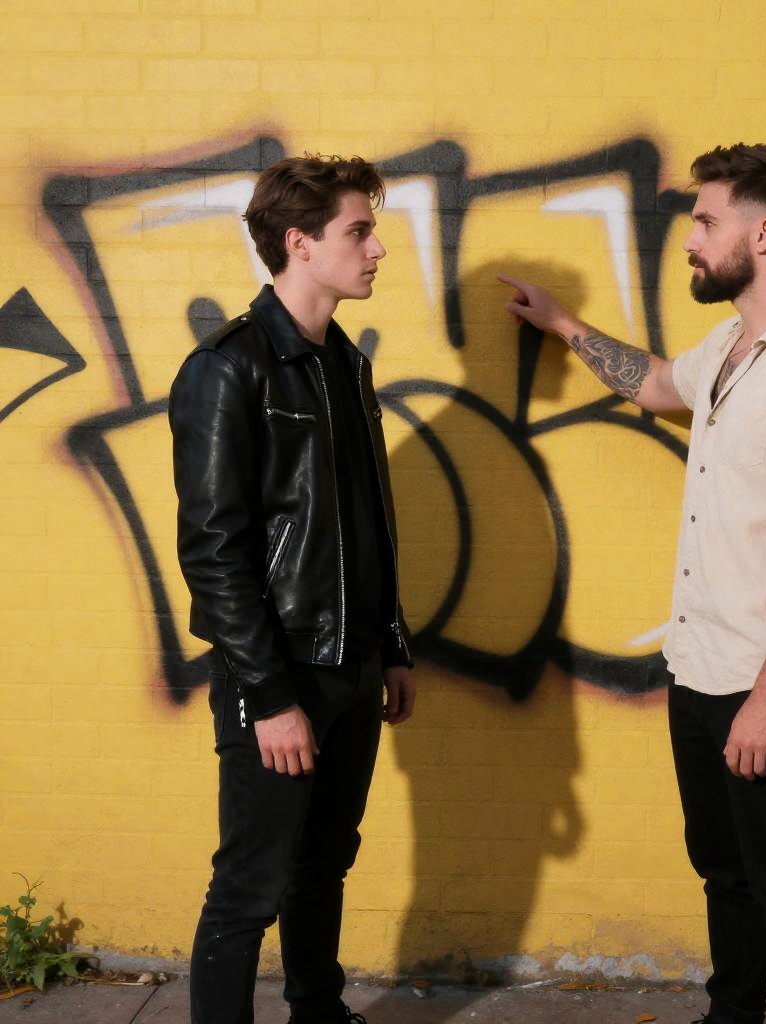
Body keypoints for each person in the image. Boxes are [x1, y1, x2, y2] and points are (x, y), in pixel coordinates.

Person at [499, 143, 766, 1024]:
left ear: (765, 232)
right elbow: (657, 385)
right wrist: (563, 325)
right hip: (702, 671)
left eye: (706, 221)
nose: (690, 240)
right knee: (727, 879)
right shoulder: (732, 346)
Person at [169, 154, 415, 1024]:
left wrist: (392, 644)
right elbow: (213, 551)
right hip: (278, 673)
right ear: (300, 244)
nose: (378, 249)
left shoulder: (345, 363)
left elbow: (367, 518)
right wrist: (270, 696)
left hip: (354, 665)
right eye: (359, 232)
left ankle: (320, 1011)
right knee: (250, 884)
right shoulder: (227, 368)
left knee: (325, 865)